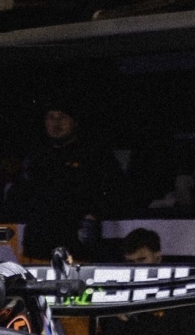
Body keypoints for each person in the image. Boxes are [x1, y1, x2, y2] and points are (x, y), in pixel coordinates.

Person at [18, 103, 124, 261]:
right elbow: (21, 194)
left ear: (75, 122)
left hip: (77, 245)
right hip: (38, 244)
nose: (56, 123)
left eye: (62, 117)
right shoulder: (36, 156)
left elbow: (117, 189)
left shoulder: (93, 154)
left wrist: (94, 214)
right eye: (51, 117)